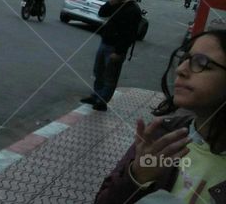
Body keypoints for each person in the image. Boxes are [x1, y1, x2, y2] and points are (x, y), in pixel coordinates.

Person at [94, 30, 226, 203]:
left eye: (201, 63)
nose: (180, 70)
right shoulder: (162, 135)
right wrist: (136, 177)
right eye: (185, 59)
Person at [80, 0, 142, 112]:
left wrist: (119, 52)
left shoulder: (133, 10)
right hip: (105, 42)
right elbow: (101, 13)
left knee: (110, 75)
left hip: (115, 48)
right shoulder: (116, 3)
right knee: (98, 71)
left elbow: (130, 35)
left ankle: (102, 102)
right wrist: (110, 3)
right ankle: (96, 95)